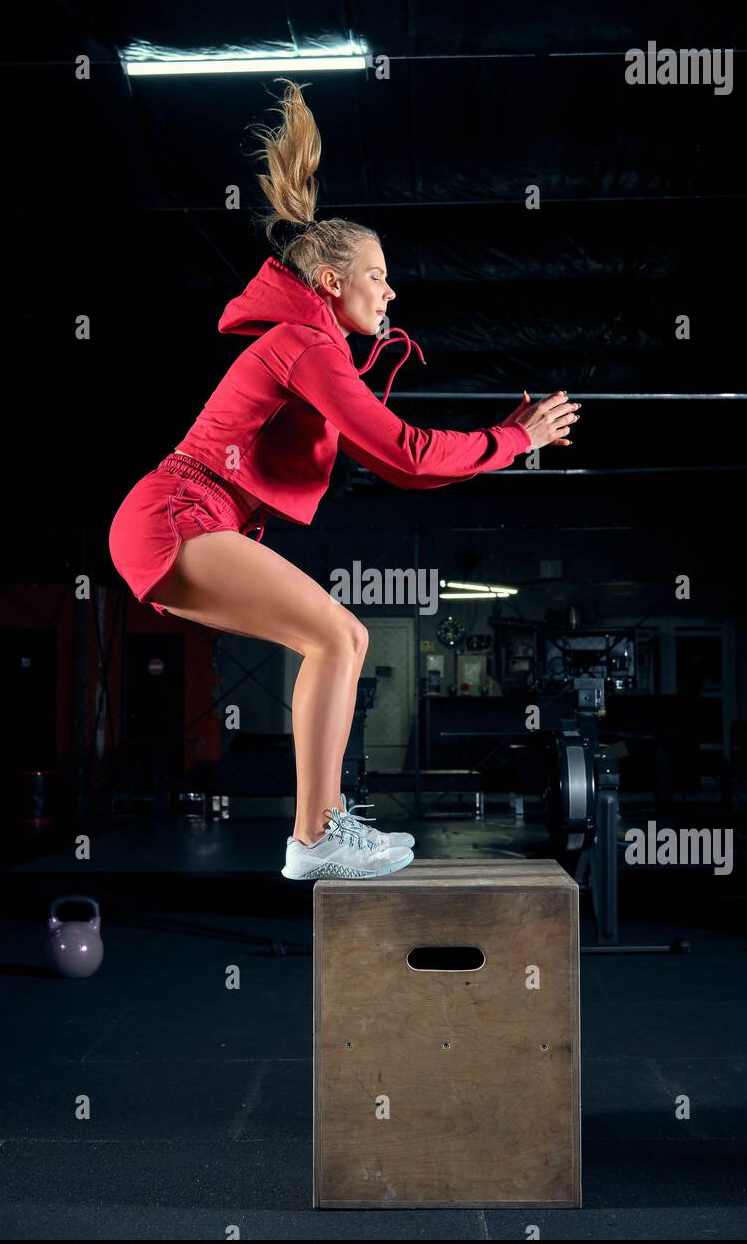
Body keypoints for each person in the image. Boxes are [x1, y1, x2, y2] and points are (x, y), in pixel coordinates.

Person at [108, 79, 580, 881]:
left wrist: (500, 442)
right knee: (337, 634)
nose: (390, 291)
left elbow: (405, 469)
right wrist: (516, 437)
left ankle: (322, 828)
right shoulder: (306, 344)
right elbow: (404, 450)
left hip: (182, 518)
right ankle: (316, 834)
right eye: (377, 275)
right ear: (331, 281)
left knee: (342, 636)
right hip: (177, 512)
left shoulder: (312, 349)